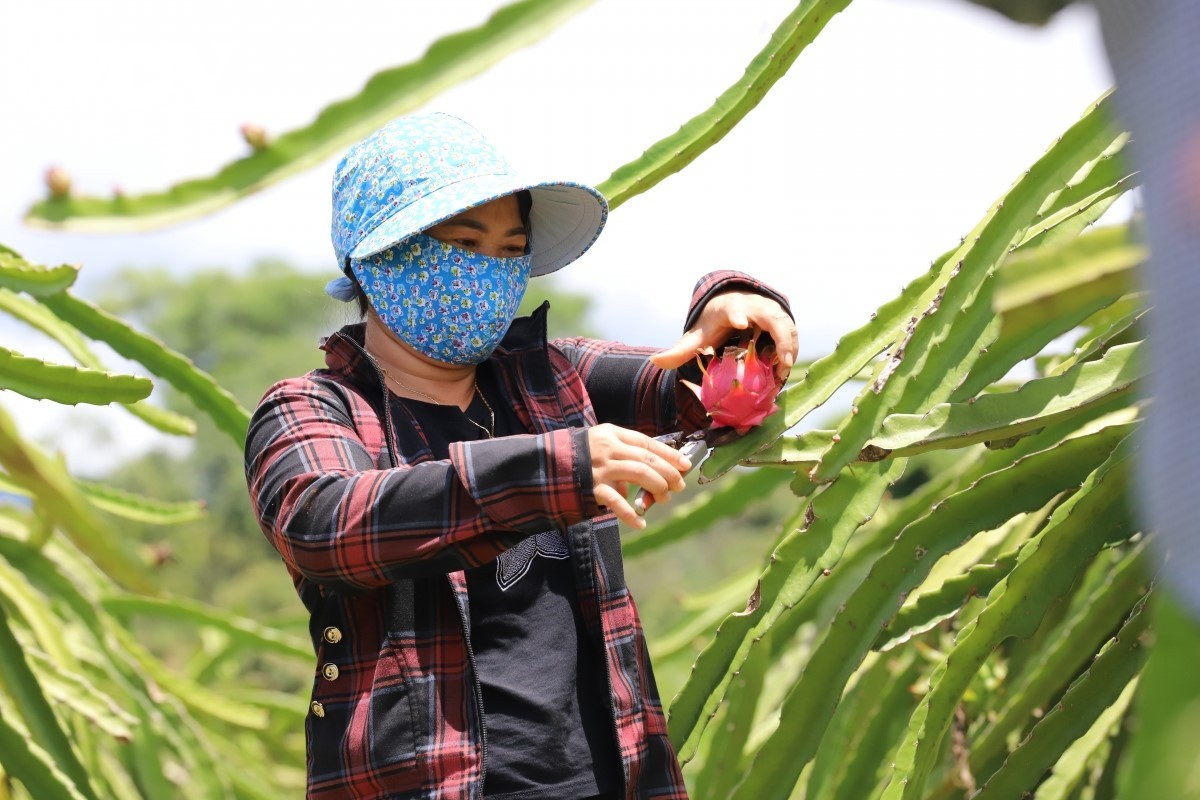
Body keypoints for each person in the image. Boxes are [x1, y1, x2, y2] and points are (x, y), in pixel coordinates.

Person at [244, 112, 796, 800]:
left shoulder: (556, 378)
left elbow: (706, 391)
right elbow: (328, 526)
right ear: (379, 260)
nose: (491, 269)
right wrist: (555, 471)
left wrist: (737, 312)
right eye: (464, 243)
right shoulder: (313, 409)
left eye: (511, 248)